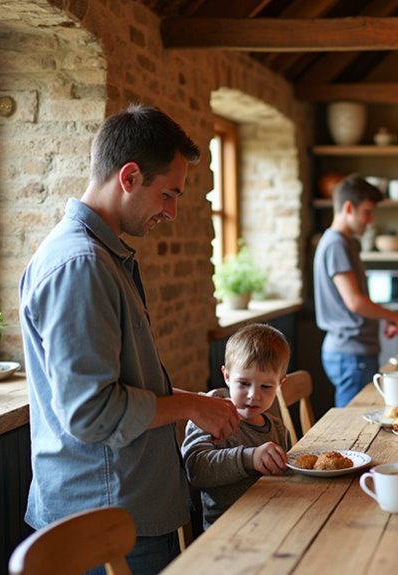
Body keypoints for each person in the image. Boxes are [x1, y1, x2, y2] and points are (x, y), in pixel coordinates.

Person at [19, 105, 242, 575]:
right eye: (167, 194)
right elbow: (91, 412)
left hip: (123, 505)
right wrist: (188, 406)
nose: (171, 212)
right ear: (129, 176)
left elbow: (119, 386)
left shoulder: (102, 257)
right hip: (105, 516)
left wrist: (195, 403)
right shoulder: (81, 265)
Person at [182, 323, 291, 530]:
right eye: (244, 383)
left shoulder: (277, 429)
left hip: (273, 520)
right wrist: (249, 458)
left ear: (280, 384)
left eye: (266, 386)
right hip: (226, 530)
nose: (254, 395)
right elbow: (195, 468)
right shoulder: (209, 416)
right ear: (227, 376)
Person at [313, 174, 398, 407]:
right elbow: (354, 301)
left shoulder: (344, 242)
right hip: (350, 353)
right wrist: (392, 315)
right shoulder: (336, 244)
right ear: (348, 208)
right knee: (351, 421)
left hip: (351, 351)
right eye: (367, 212)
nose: (371, 220)